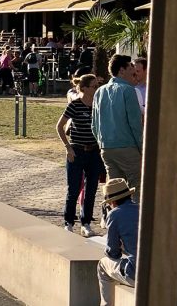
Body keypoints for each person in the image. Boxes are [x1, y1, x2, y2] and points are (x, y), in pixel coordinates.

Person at [56, 74, 105, 237]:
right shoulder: (75, 105)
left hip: (94, 152)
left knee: (91, 189)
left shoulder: (98, 105)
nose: (95, 89)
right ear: (83, 88)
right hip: (76, 151)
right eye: (93, 86)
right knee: (74, 188)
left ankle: (86, 223)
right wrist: (68, 147)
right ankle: (69, 222)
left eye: (96, 86)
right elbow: (60, 126)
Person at [92, 55, 144, 200]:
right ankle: (134, 220)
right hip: (127, 147)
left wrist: (102, 144)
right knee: (137, 186)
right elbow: (135, 124)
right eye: (131, 68)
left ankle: (112, 218)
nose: (133, 72)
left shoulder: (99, 91)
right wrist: (142, 149)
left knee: (114, 190)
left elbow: (94, 124)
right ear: (122, 70)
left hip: (106, 147)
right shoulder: (128, 90)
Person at [96, 178, 138, 306]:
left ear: (112, 202)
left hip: (136, 273)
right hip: (160, 271)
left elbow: (113, 253)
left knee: (102, 266)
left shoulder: (114, 215)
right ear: (129, 195)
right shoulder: (144, 208)